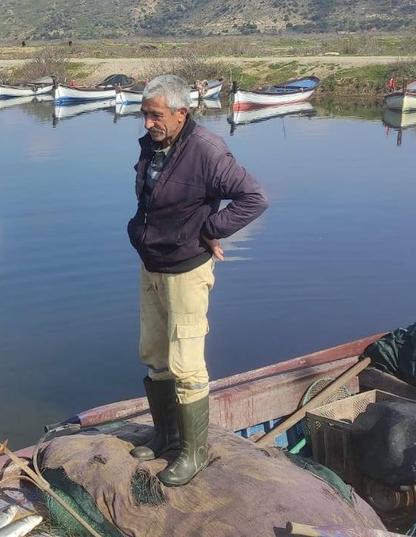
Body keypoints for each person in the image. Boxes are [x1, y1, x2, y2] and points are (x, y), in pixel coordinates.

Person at [126, 74, 268, 486]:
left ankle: (194, 453)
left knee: (187, 363)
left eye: (155, 115)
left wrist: (211, 230)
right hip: (152, 263)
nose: (148, 123)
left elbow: (254, 197)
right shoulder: (154, 147)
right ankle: (167, 436)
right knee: (154, 353)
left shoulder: (206, 150)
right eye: (145, 114)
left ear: (181, 112)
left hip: (186, 269)